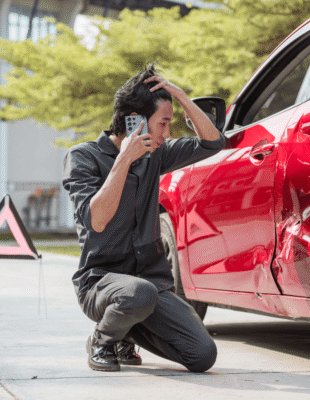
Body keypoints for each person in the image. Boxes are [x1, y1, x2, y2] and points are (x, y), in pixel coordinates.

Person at [62, 64, 225, 372]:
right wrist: (124, 158)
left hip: (151, 285)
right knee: (139, 292)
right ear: (134, 120)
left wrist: (179, 96)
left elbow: (213, 142)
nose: (166, 134)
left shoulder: (157, 155)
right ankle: (103, 340)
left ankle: (124, 332)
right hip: (100, 286)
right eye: (162, 123)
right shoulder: (82, 157)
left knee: (202, 355)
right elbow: (97, 221)